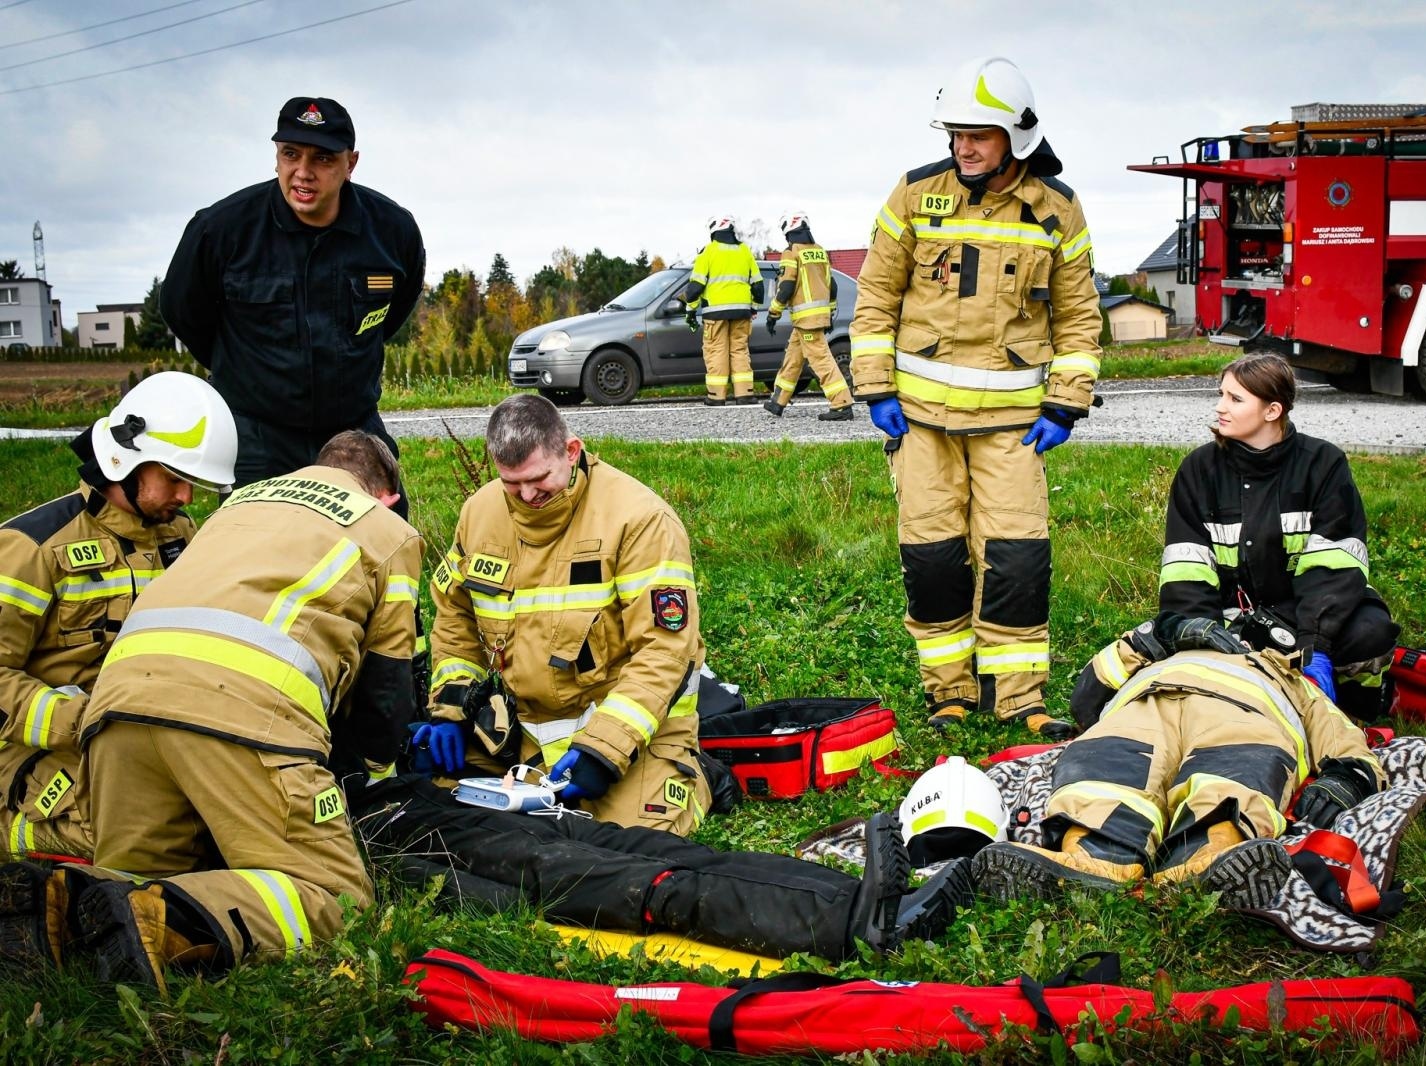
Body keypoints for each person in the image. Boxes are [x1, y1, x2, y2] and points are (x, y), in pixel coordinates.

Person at [0, 430, 423, 991]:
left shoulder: (239, 504)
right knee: (333, 899)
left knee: (138, 878)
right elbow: (386, 689)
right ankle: (169, 918)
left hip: (115, 707)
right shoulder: (389, 532)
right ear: (387, 494)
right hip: (242, 712)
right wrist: (368, 772)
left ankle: (66, 904)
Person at [848, 56, 1102, 738]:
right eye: (956, 132)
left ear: (1015, 138)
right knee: (933, 560)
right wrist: (875, 390)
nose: (963, 145)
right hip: (922, 422)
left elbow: (1079, 318)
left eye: (979, 134)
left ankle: (1018, 694)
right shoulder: (912, 194)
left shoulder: (1058, 209)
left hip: (1015, 425)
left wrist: (1065, 402)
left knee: (1017, 558)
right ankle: (949, 691)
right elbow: (874, 297)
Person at [417, 394, 712, 835]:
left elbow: (666, 651)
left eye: (539, 479)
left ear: (571, 452)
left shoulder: (640, 519)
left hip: (628, 729)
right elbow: (454, 621)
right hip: (523, 730)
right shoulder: (479, 513)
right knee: (434, 810)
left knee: (629, 843)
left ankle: (700, 777)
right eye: (512, 484)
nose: (528, 496)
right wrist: (454, 708)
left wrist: (603, 750)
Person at [972, 614, 1384, 907]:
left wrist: (1347, 775)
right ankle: (1094, 859)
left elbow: (1338, 730)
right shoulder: (1160, 653)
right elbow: (1086, 697)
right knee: (1103, 769)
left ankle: (1206, 857)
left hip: (1242, 715)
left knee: (1231, 778)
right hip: (1147, 704)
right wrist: (1149, 638)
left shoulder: (1287, 676)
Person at [0, 372, 236, 862]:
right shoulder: (31, 548)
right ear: (126, 461)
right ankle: (11, 834)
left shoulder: (180, 536)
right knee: (133, 836)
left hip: (152, 735)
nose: (186, 498)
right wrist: (84, 720)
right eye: (174, 479)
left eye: (191, 483)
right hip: (42, 750)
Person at [352, 779, 973, 962]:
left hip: (423, 794)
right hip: (383, 831)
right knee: (640, 884)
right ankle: (846, 924)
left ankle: (870, 897)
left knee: (663, 851)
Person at [161, 96, 426, 509]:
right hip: (257, 431)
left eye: (322, 159)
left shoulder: (392, 231)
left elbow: (391, 314)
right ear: (276, 157)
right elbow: (182, 310)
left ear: (350, 164)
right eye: (290, 154)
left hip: (351, 425)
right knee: (256, 554)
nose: (303, 173)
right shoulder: (222, 230)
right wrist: (244, 368)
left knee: (385, 536)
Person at [1159, 352, 1398, 719]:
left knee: (1370, 631)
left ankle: (1358, 701)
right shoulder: (1199, 470)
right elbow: (1186, 572)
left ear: (1272, 411)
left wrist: (1314, 644)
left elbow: (1335, 567)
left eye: (1235, 399)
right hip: (1233, 619)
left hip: (1307, 614)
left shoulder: (1323, 464)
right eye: (1221, 394)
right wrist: (1205, 637)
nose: (1220, 407)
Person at [762, 212, 854, 421]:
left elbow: (786, 286)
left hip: (806, 319)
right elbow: (832, 286)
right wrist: (829, 313)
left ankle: (842, 404)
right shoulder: (820, 251)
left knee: (821, 360)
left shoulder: (791, 253)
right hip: (815, 318)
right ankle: (778, 401)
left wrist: (773, 313)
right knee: (793, 358)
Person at [684, 215, 763, 405]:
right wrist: (754, 307)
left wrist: (690, 311)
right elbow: (758, 286)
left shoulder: (708, 252)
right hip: (742, 311)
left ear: (713, 229)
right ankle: (744, 394)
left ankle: (716, 396)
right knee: (740, 350)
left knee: (716, 351)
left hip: (715, 314)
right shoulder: (745, 251)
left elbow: (695, 288)